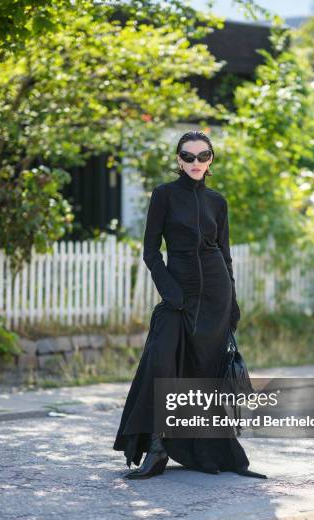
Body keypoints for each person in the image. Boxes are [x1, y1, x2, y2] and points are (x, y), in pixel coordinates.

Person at [113, 130, 267, 480]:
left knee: (207, 374)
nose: (196, 162)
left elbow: (225, 256)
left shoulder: (218, 202)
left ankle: (218, 452)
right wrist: (171, 292)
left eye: (203, 156)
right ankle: (156, 449)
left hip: (216, 297)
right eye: (189, 156)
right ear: (178, 159)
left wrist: (233, 302)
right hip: (178, 298)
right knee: (161, 363)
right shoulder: (164, 195)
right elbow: (151, 251)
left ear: (211, 159)